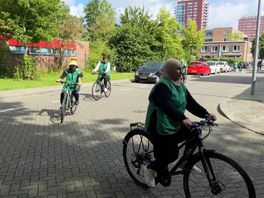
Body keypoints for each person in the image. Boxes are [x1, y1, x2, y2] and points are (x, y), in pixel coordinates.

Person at [144, 58, 216, 188]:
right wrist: (183, 118)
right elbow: (166, 106)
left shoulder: (181, 86)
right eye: (177, 68)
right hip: (158, 126)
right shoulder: (161, 86)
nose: (181, 70)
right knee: (172, 154)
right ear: (170, 70)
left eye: (181, 68)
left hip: (174, 123)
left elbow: (192, 104)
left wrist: (206, 114)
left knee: (195, 132)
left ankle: (186, 161)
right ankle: (150, 168)